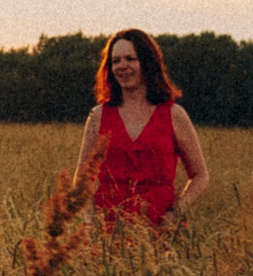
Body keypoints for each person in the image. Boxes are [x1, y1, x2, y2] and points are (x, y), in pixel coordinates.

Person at [74, 28, 209, 229]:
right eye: (116, 61)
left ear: (147, 63)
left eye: (130, 58)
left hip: (160, 227)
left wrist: (175, 215)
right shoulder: (98, 116)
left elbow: (200, 176)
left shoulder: (174, 114)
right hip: (107, 231)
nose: (122, 66)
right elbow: (82, 178)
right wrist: (91, 220)